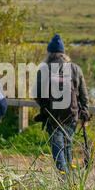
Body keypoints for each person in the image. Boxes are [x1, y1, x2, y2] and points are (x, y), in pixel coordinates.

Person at [35, 34, 90, 174]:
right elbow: (83, 95)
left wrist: (45, 106)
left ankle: (64, 181)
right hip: (72, 114)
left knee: (58, 149)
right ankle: (69, 181)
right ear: (63, 52)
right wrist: (85, 114)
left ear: (49, 52)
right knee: (67, 146)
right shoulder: (75, 69)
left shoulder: (44, 68)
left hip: (53, 116)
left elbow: (37, 94)